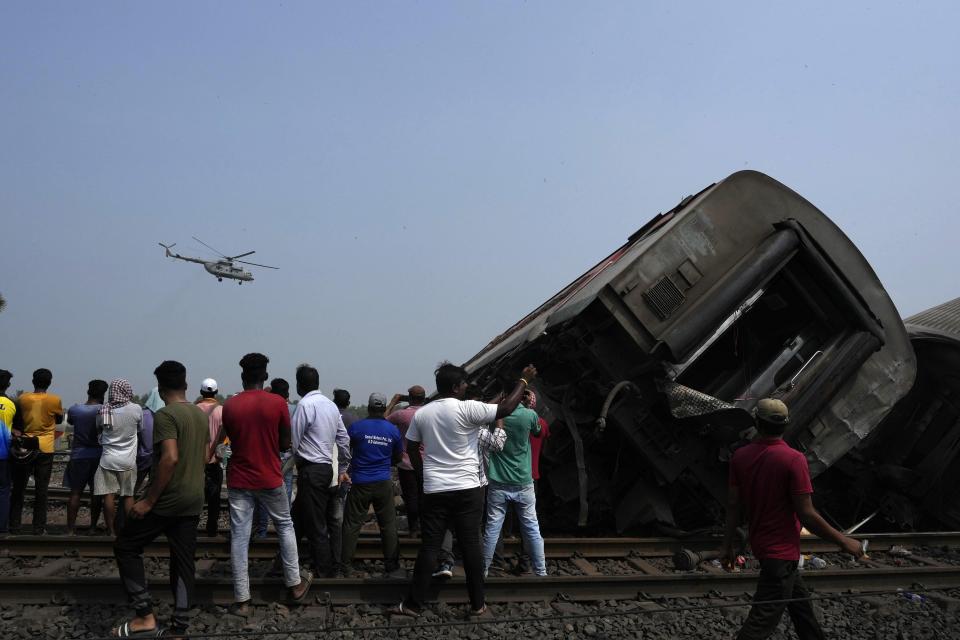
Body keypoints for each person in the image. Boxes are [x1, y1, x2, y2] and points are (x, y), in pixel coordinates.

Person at [392, 361, 537, 618]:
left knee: (430, 547)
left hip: (435, 488)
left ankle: (414, 604)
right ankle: (478, 605)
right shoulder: (468, 409)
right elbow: (504, 408)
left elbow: (412, 447)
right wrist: (523, 381)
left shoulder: (423, 414)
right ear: (457, 387)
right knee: (471, 545)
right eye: (464, 383)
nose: (466, 386)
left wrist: (422, 473)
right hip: (468, 490)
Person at [721, 398, 866, 640]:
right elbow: (807, 514)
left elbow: (734, 505)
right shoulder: (793, 459)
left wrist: (727, 546)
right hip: (781, 553)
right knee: (759, 624)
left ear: (757, 423)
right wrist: (844, 541)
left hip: (766, 548)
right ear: (785, 426)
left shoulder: (740, 457)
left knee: (801, 610)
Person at [112, 360, 209, 637]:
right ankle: (179, 627)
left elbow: (170, 457)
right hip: (193, 499)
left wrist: (148, 501)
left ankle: (145, 616)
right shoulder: (200, 414)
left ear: (160, 387)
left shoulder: (166, 416)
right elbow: (204, 457)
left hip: (168, 500)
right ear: (186, 384)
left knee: (126, 546)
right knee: (183, 560)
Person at [220, 353, 311, 613]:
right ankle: (294, 584)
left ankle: (242, 600)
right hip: (270, 476)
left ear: (242, 376)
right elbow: (285, 443)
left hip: (239, 477)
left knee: (239, 536)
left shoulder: (230, 405)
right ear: (265, 376)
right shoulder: (276, 403)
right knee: (284, 524)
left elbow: (231, 439)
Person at [291, 365, 351, 579]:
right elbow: (344, 440)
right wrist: (342, 467)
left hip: (311, 470)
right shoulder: (331, 406)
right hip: (325, 470)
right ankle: (283, 562)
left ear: (299, 384)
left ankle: (325, 572)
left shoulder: (305, 405)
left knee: (316, 524)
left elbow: (294, 442)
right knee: (296, 519)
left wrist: (288, 464)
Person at [434, 404, 507, 579]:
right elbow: (498, 445)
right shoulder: (478, 431)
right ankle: (479, 566)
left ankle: (445, 562)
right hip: (475, 485)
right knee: (474, 526)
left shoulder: (443, 428)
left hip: (447, 482)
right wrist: (499, 424)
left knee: (447, 522)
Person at [482, 388, 547, 577]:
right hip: (524, 480)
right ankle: (541, 571)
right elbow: (537, 431)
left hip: (498, 481)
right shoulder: (529, 415)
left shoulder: (496, 414)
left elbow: (483, 413)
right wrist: (527, 405)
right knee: (532, 529)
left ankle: (484, 569)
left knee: (492, 529)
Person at [341, 393, 404, 576]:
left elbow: (346, 450)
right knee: (388, 525)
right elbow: (398, 457)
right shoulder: (392, 430)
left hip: (360, 482)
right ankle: (391, 565)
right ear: (384, 409)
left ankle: (345, 564)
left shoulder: (356, 427)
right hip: (383, 482)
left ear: (368, 408)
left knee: (352, 524)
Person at [9, 368, 63, 535]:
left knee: (19, 488)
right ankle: (38, 528)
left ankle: (14, 526)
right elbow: (59, 419)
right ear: (50, 382)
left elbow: (17, 420)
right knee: (42, 490)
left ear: (33, 381)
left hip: (25, 446)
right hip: (45, 447)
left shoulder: (22, 399)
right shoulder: (55, 400)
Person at [95, 379, 143, 537]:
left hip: (107, 460)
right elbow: (140, 429)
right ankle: (129, 531)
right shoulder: (136, 409)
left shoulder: (104, 410)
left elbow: (98, 429)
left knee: (108, 495)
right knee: (128, 495)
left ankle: (111, 530)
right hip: (128, 461)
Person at [253, 377, 296, 538]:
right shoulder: (294, 409)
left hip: (269, 458)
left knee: (264, 496)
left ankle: (262, 532)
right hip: (288, 458)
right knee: (286, 497)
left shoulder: (264, 408)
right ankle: (286, 533)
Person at [64, 380, 108, 535]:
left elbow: (70, 421)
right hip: (98, 455)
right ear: (103, 394)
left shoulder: (75, 409)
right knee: (96, 494)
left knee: (75, 492)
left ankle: (70, 529)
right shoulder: (104, 410)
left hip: (78, 455)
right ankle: (93, 527)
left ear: (88, 391)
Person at [386, 385, 426, 535]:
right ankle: (426, 528)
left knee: (410, 497)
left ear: (409, 398)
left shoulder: (401, 415)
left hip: (406, 463)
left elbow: (382, 421)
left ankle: (413, 529)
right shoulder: (430, 413)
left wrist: (392, 403)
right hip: (426, 463)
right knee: (425, 496)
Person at [195, 378, 224, 538]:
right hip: (214, 461)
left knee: (196, 498)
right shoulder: (222, 411)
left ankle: (191, 529)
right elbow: (226, 437)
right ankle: (212, 530)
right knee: (214, 500)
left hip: (196, 462)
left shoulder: (194, 410)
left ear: (201, 392)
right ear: (216, 392)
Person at [135, 388, 163, 495]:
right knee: (155, 489)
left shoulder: (142, 414)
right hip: (160, 457)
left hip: (143, 456)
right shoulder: (167, 414)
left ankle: (125, 508)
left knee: (134, 486)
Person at [0, 370, 16, 535]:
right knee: (4, 491)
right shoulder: (12, 404)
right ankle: (2, 527)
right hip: (3, 454)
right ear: (8, 385)